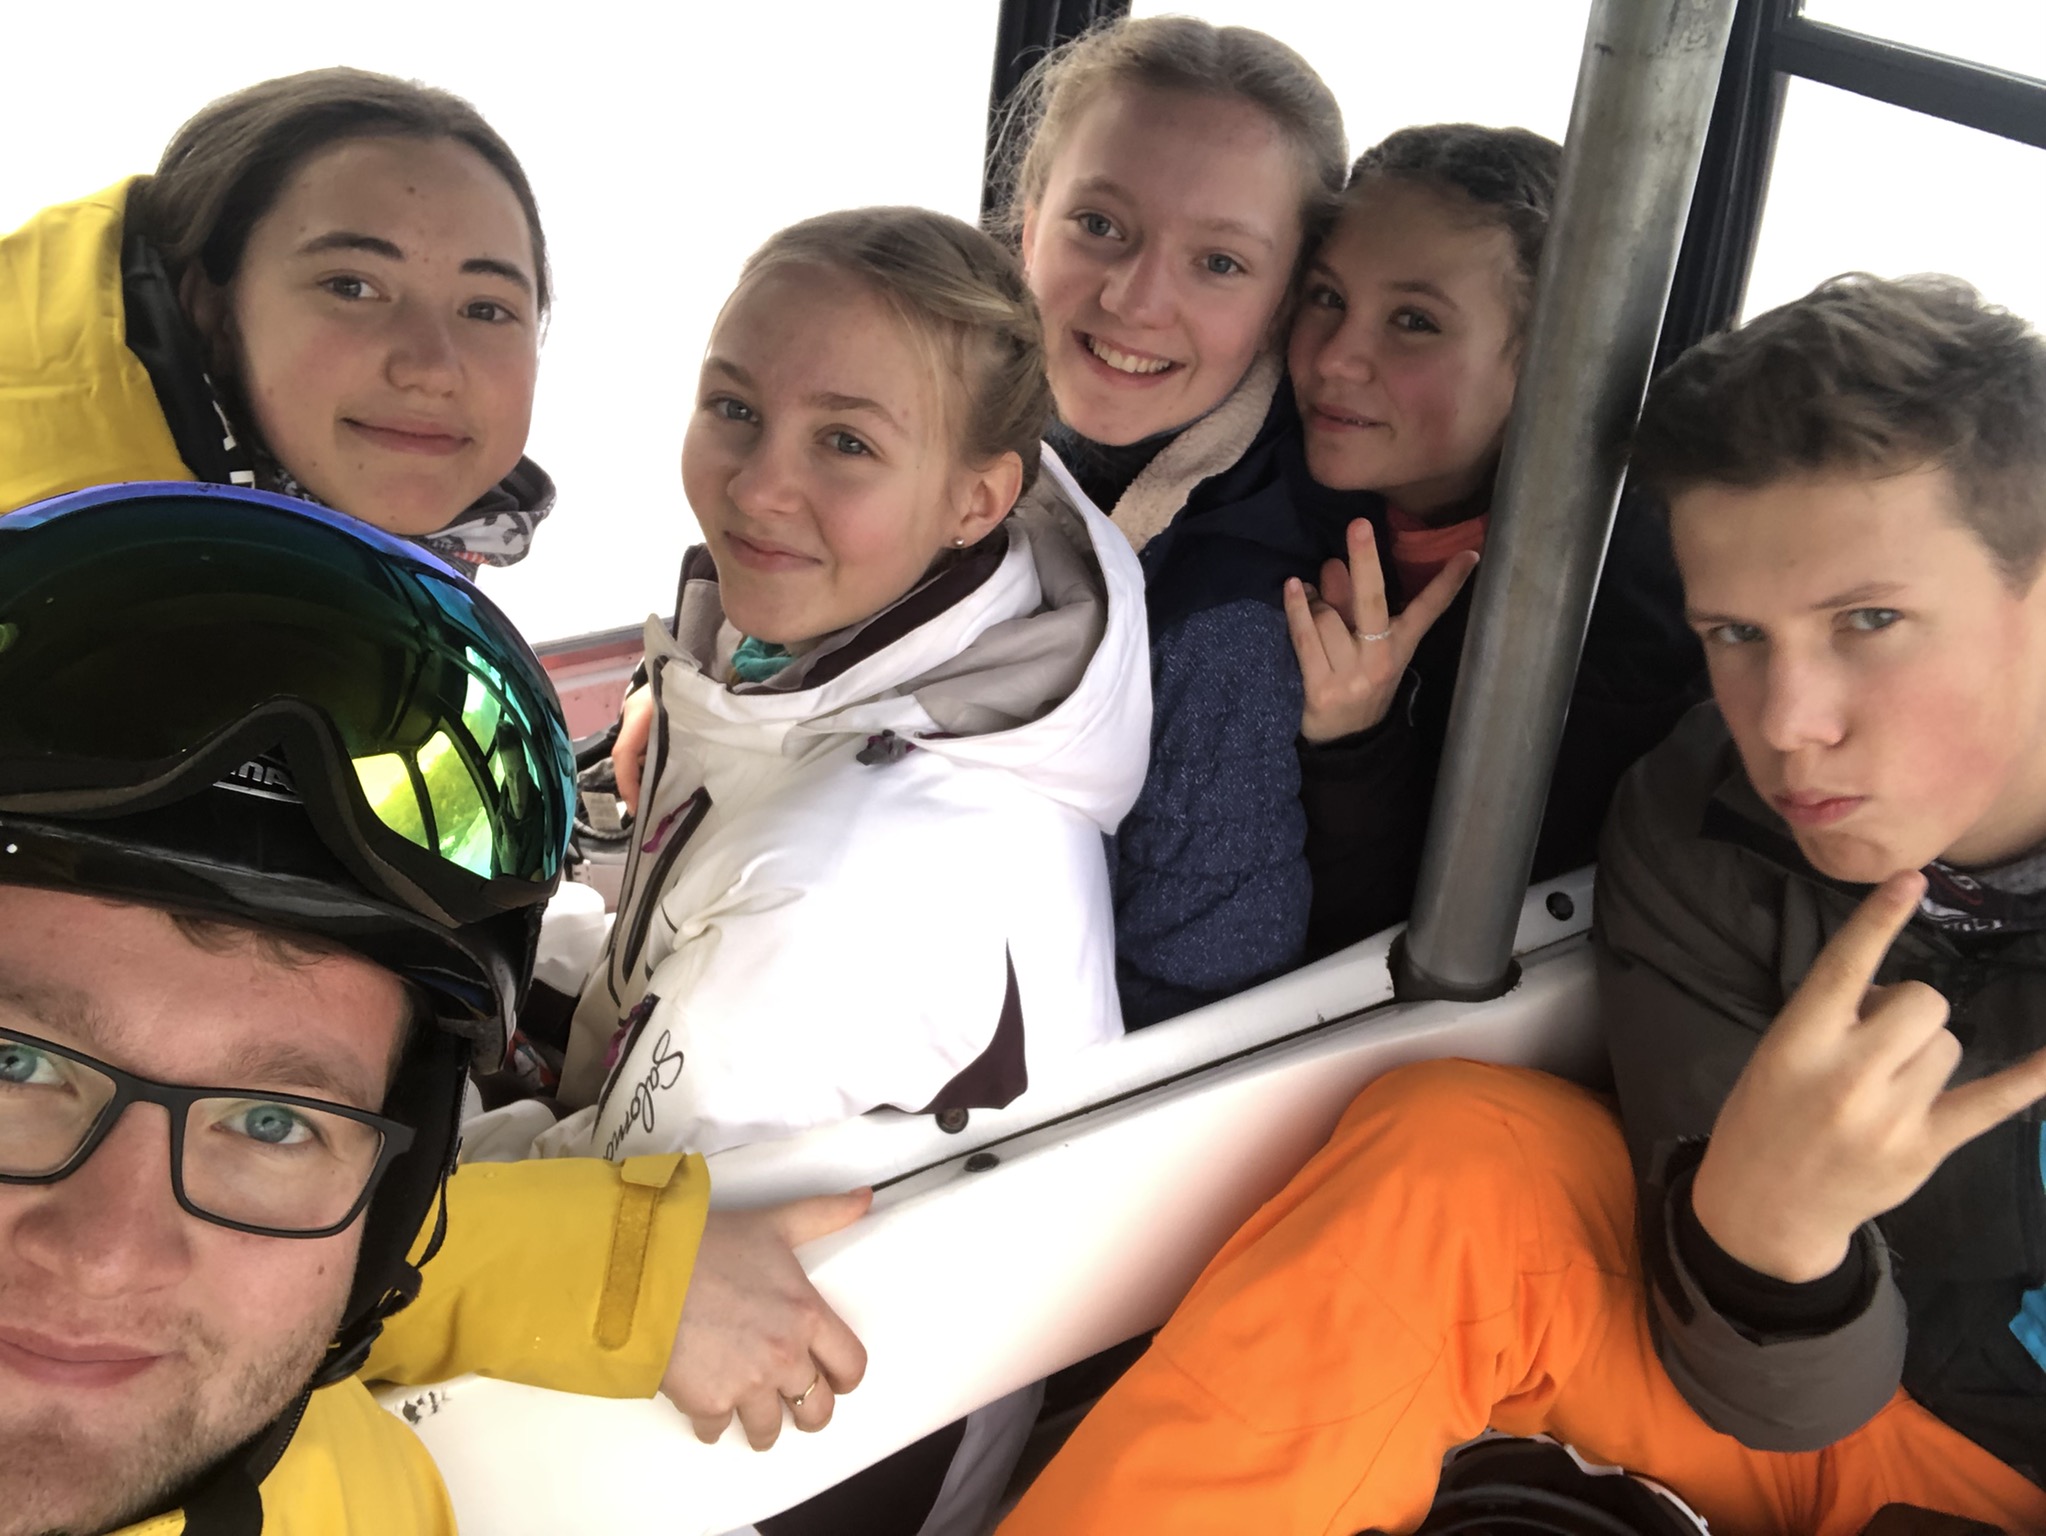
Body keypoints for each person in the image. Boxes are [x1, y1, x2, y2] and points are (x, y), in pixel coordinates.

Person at [995, 275, 2046, 1534]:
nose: (1787, 723)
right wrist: (1770, 1251)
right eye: (1736, 635)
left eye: (1869, 620)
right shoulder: (1700, 819)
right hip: (1849, 1414)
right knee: (1456, 1160)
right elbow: (1773, 1397)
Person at [0, 482, 867, 1536]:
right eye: (16, 1065)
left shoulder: (362, 1478)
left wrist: (618, 1271)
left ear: (389, 1206)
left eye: (272, 1124)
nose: (104, 1258)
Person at [995, 14, 1354, 1025]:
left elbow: (1196, 1018)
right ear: (1030, 223)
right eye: (1099, 224)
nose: (1136, 298)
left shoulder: (1228, 629)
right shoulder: (950, 404)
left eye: (1220, 263)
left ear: (1286, 305)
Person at [1281, 125, 1702, 953]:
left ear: (1551, 364)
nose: (1336, 359)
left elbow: (1453, 951)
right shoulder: (1281, 478)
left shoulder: (1618, 620)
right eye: (1326, 296)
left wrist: (1355, 745)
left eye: (1414, 321)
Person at [0, 67, 555, 568]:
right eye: (352, 287)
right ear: (213, 308)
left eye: (486, 309)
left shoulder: (358, 578)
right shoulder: (67, 590)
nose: (432, 370)